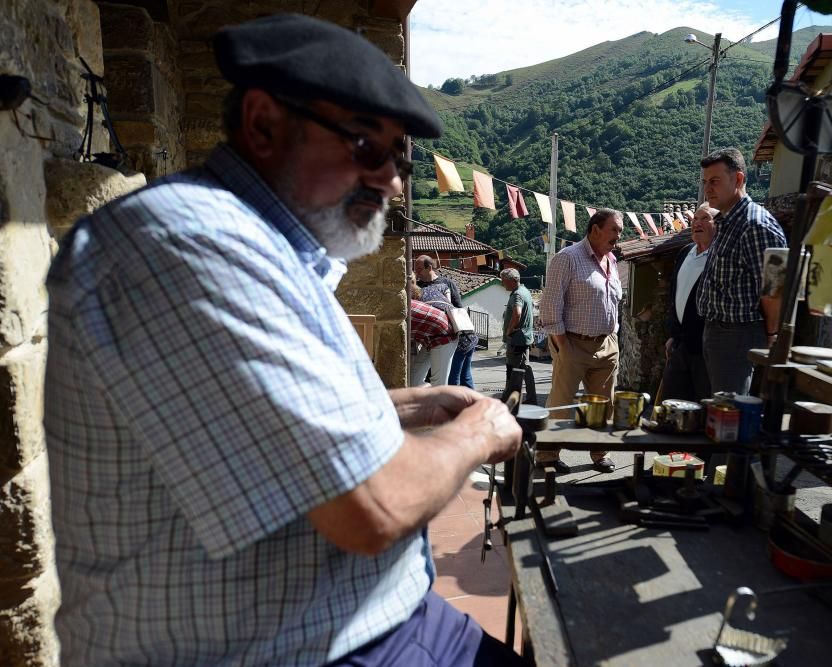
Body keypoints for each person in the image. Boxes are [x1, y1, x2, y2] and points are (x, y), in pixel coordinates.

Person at [44, 14, 525, 667]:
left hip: (370, 619)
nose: (391, 180)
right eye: (366, 147)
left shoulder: (261, 247)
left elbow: (257, 418)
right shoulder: (188, 240)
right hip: (295, 648)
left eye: (398, 156)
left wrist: (407, 407)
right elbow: (373, 509)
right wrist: (482, 427)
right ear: (264, 122)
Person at [538, 209, 623, 474]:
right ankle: (548, 455)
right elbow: (551, 305)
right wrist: (563, 345)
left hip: (607, 344)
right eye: (615, 230)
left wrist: (613, 335)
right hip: (573, 342)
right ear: (595, 229)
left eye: (620, 231)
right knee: (562, 403)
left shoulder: (611, 260)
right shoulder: (567, 258)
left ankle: (600, 452)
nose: (619, 236)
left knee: (603, 403)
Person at [696, 148, 787, 395]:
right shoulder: (727, 220)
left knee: (729, 414)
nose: (707, 189)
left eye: (714, 181)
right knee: (715, 410)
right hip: (717, 331)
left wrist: (772, 335)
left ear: (738, 179)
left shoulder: (756, 225)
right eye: (705, 182)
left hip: (738, 336)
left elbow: (775, 289)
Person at [657, 203, 717, 404]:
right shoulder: (685, 252)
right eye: (695, 219)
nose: (697, 223)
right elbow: (675, 296)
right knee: (671, 403)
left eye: (705, 218)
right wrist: (673, 335)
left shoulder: (719, 258)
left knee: (702, 405)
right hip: (680, 346)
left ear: (719, 225)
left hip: (706, 349)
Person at [414, 255, 464, 386]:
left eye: (418, 269)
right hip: (429, 338)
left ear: (429, 267)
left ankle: (453, 402)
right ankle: (432, 398)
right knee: (417, 377)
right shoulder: (417, 287)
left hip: (447, 334)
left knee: (446, 378)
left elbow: (458, 308)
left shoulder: (446, 283)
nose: (416, 272)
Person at [408, 272, 456, 388]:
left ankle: (442, 402)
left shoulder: (408, 306)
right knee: (414, 378)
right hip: (432, 338)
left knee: (438, 383)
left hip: (445, 337)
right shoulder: (425, 294)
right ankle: (429, 398)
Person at [501, 267, 534, 390]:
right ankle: (531, 397)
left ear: (513, 280)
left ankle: (510, 397)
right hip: (524, 337)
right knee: (525, 368)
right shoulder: (525, 290)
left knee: (513, 370)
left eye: (504, 280)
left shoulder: (517, 294)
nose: (502, 283)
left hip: (517, 339)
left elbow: (517, 313)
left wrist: (509, 330)